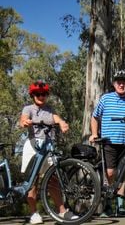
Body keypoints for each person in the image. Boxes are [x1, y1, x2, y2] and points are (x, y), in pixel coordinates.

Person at [89, 70, 125, 217]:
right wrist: (94, 133)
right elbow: (95, 117)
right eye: (119, 82)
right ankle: (108, 204)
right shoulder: (106, 98)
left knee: (123, 173)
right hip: (109, 141)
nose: (122, 84)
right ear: (114, 84)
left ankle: (120, 206)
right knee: (110, 172)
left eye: (124, 82)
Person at [20, 80, 78, 224]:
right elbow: (23, 120)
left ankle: (62, 212)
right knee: (33, 181)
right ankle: (34, 213)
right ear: (33, 95)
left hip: (48, 146)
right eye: (38, 94)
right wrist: (25, 122)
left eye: (44, 94)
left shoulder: (50, 109)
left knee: (53, 180)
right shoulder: (28, 108)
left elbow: (58, 120)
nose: (41, 96)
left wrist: (63, 124)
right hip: (33, 145)